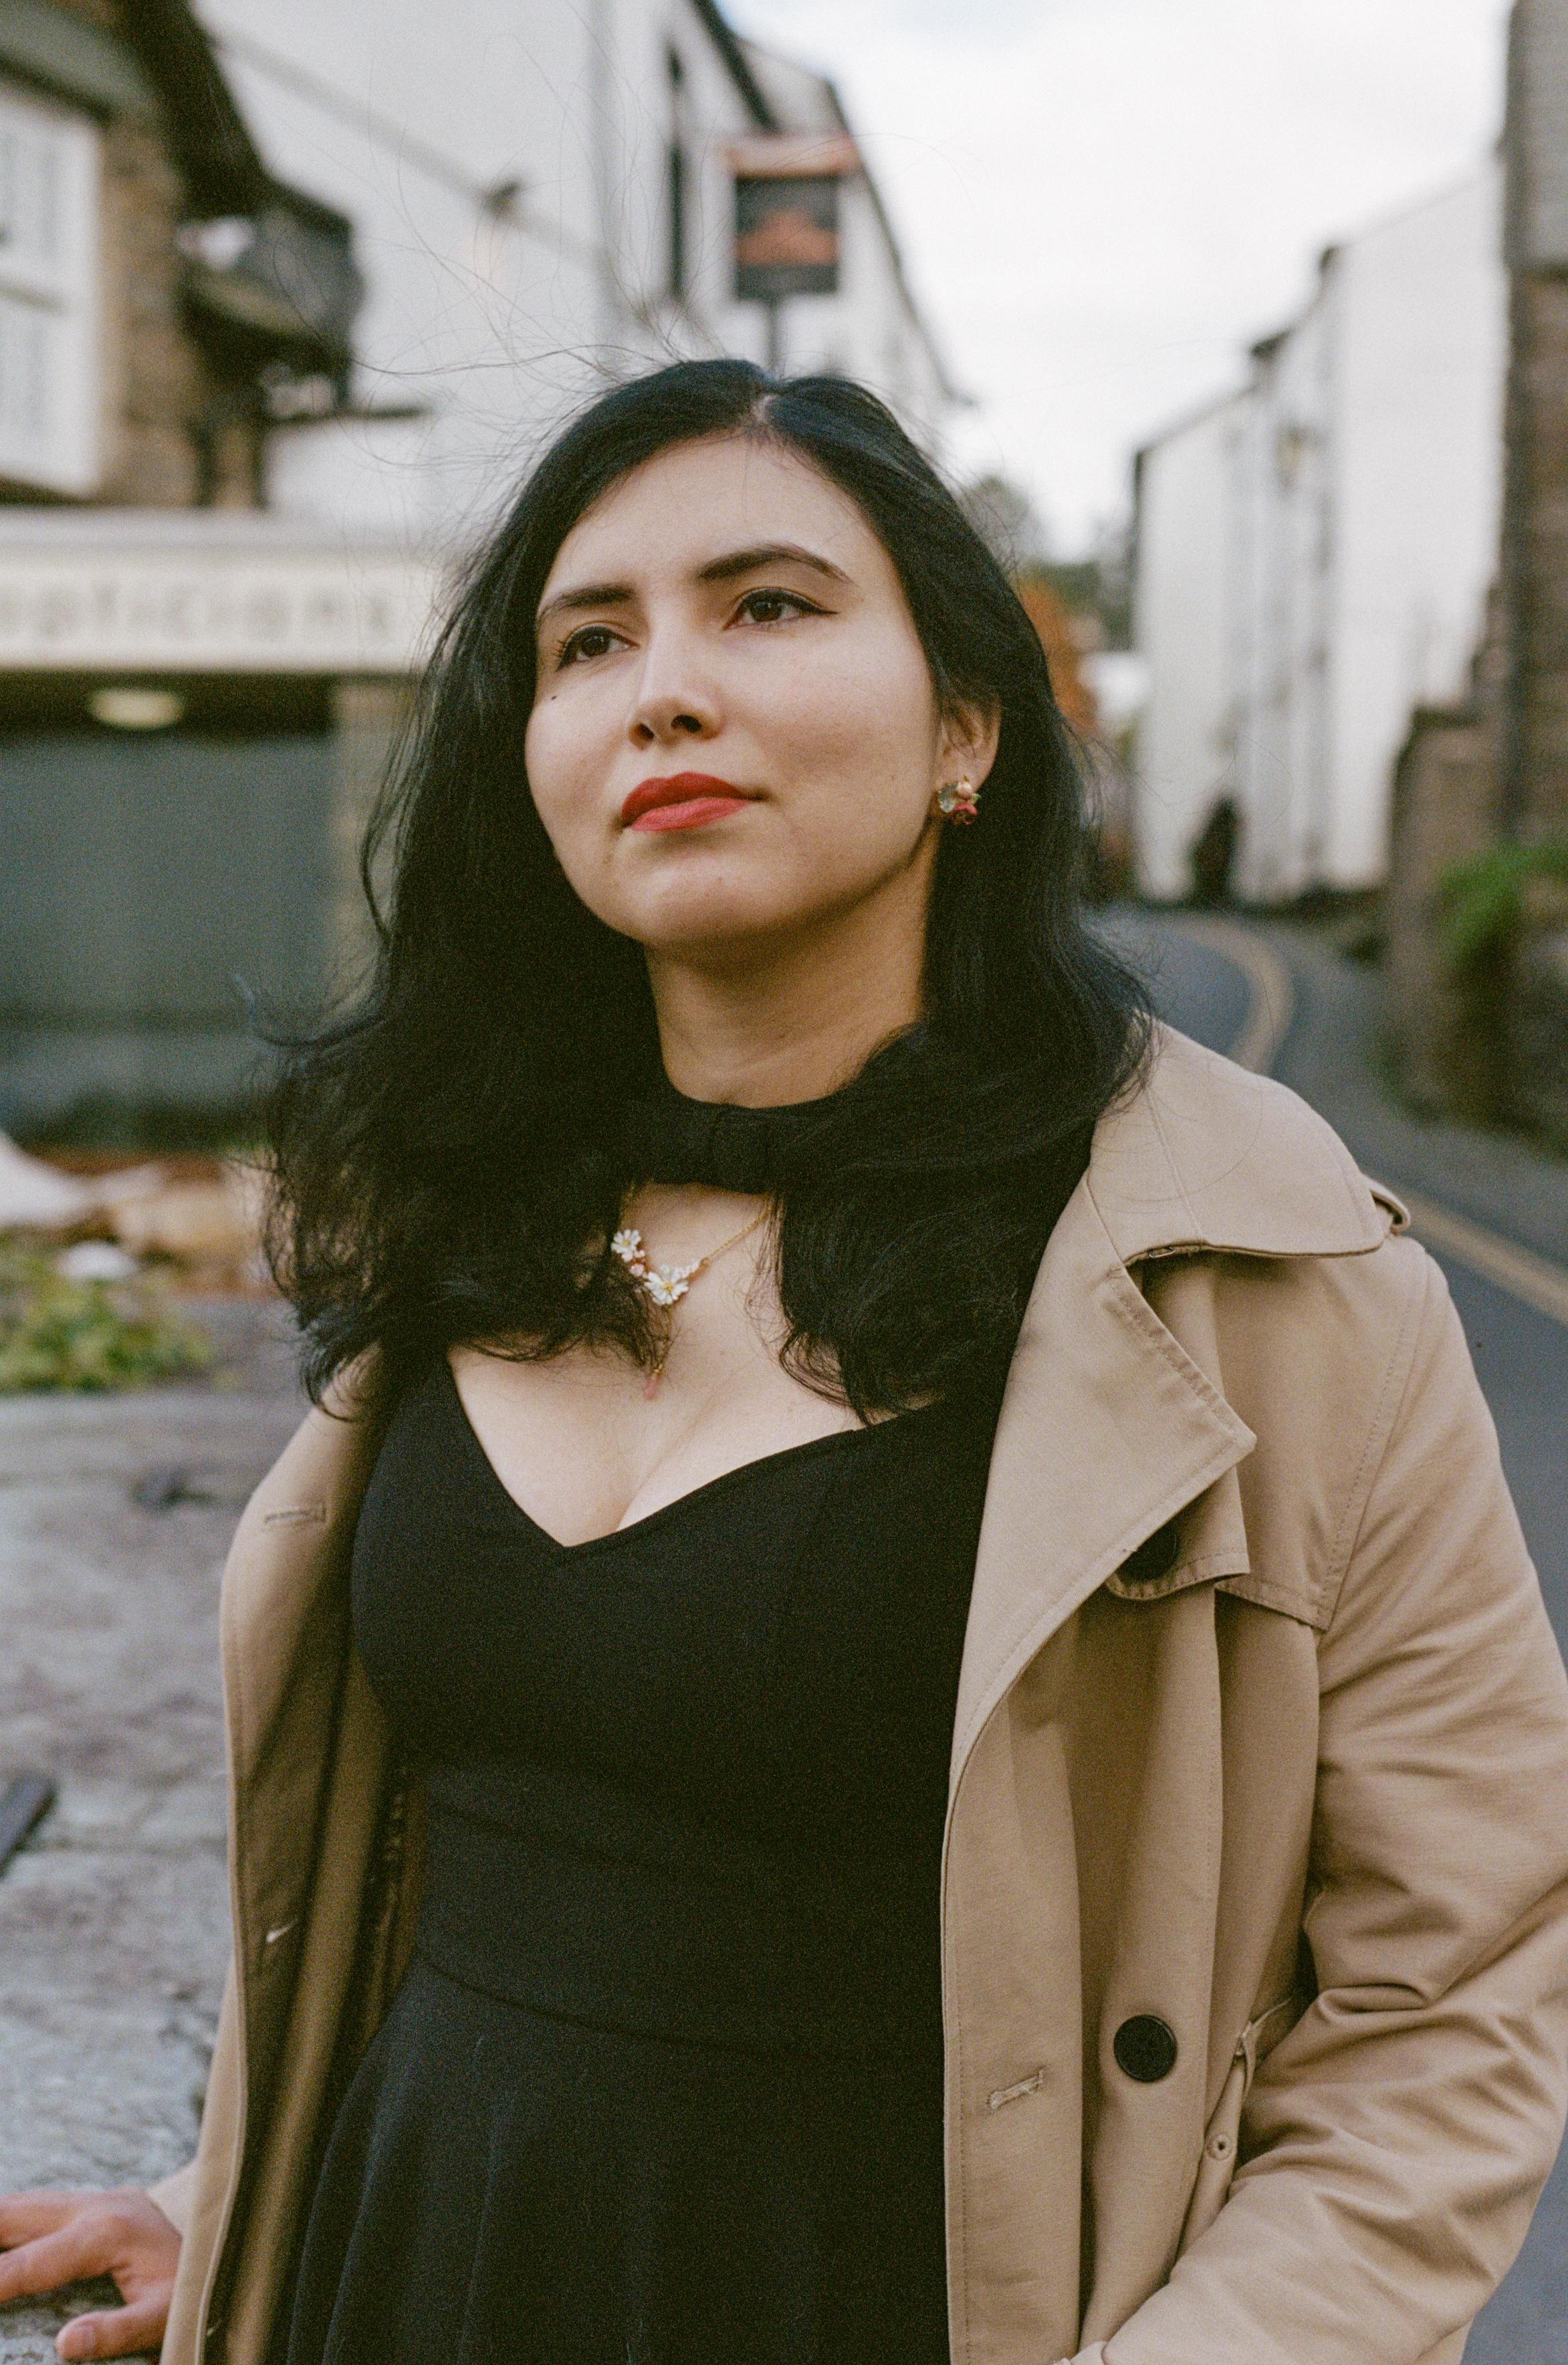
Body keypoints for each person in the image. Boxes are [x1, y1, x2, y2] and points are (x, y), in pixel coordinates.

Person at [2, 359, 1567, 2365]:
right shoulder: (460, 1207)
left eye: (769, 605)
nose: (663, 686)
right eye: (589, 640)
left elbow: (1452, 1999)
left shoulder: (1271, 1274)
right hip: (404, 2283)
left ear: (965, 732)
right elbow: (445, 1884)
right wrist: (234, 2204)